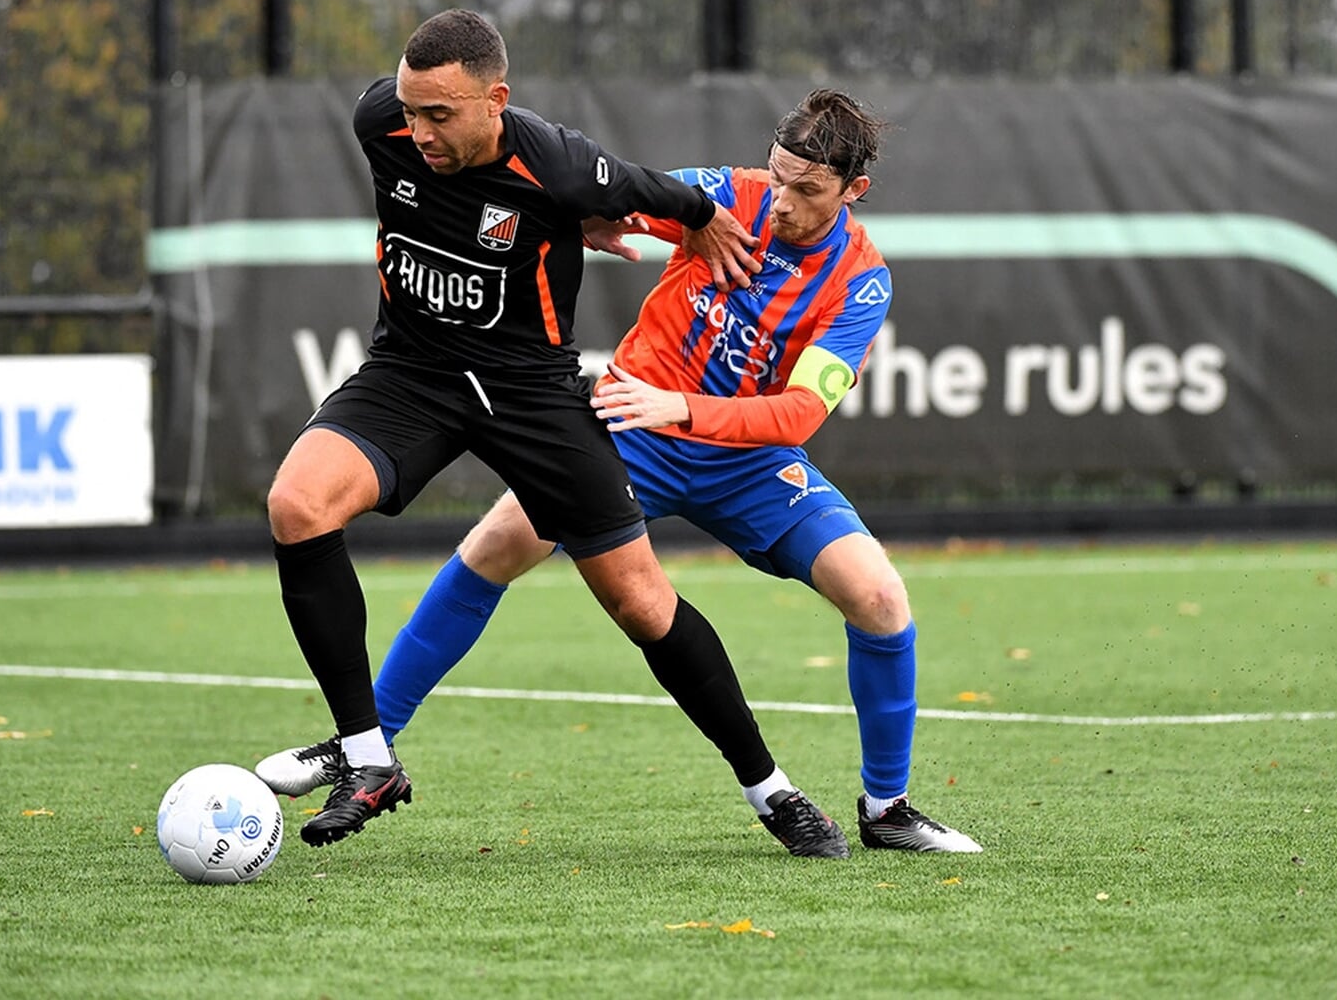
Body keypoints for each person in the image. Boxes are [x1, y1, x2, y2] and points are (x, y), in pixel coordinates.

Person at [262, 89, 981, 853]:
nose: (781, 203)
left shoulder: (862, 280)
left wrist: (682, 409)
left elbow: (799, 415)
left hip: (747, 459)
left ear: (852, 191)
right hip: (632, 428)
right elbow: (600, 198)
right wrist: (600, 222)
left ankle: (887, 808)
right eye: (777, 177)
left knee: (878, 596)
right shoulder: (725, 196)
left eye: (806, 190)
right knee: (494, 547)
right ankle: (365, 747)